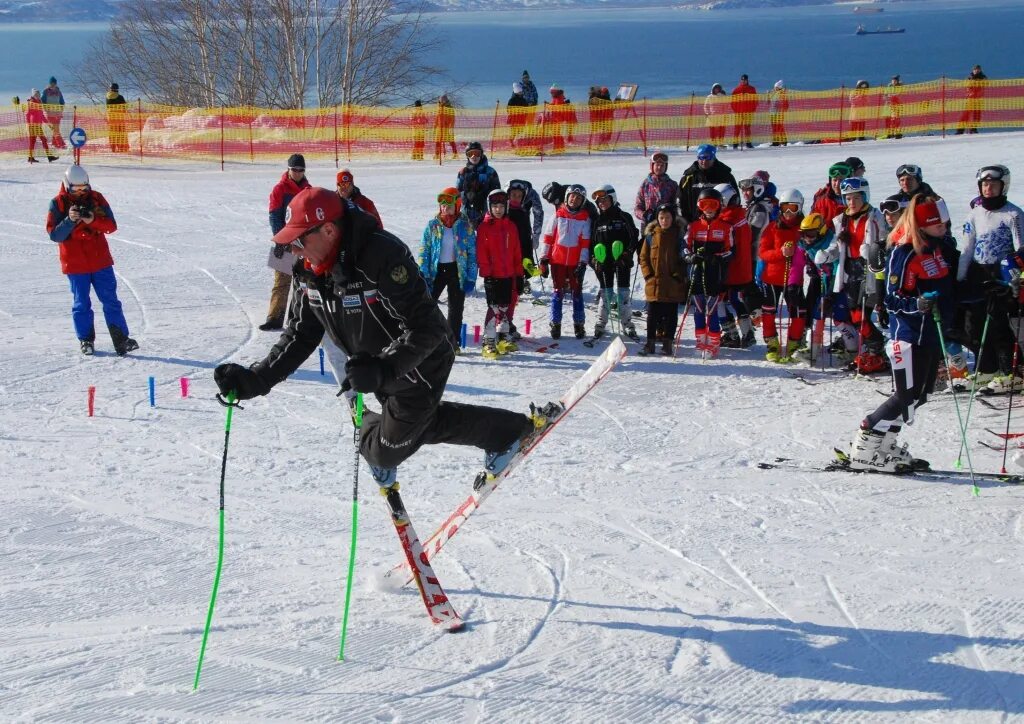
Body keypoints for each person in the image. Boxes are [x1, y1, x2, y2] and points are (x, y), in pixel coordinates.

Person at [213, 187, 558, 517]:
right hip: (375, 367)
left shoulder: (380, 255)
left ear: (329, 230)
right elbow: (302, 332)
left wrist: (384, 368)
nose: (295, 250)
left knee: (385, 450)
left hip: (420, 362)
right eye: (291, 242)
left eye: (300, 239)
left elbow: (429, 328)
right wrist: (257, 378)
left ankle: (374, 430)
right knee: (417, 425)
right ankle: (505, 431)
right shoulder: (309, 270)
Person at [847, 197, 953, 472]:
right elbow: (892, 300)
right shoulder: (904, 252)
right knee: (905, 395)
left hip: (930, 333)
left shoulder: (938, 248)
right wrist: (916, 305)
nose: (944, 226)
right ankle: (866, 442)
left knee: (921, 395)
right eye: (938, 223)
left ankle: (885, 444)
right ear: (925, 225)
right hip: (907, 335)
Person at [45, 164, 138, 356]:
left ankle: (121, 339)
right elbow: (55, 235)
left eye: (84, 188)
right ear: (67, 185)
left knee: (111, 300)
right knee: (81, 303)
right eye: (76, 189)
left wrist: (92, 219)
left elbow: (111, 225)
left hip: (100, 260)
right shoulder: (58, 203)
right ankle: (86, 340)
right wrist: (70, 220)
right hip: (75, 263)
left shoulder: (96, 199)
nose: (80, 193)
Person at [958, 165, 1024, 392]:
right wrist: (961, 277)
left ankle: (1011, 373)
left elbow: (1020, 249)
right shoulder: (974, 213)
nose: (988, 188)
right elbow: (967, 248)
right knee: (974, 324)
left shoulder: (1013, 214)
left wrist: (1016, 279)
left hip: (1003, 274)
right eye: (984, 184)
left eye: (993, 184)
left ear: (1003, 186)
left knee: (999, 325)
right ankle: (987, 370)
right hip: (979, 273)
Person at [419, 187, 477, 351]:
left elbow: (472, 253)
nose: (445, 208)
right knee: (427, 305)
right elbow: (424, 251)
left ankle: (453, 343)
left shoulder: (466, 227)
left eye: (449, 205)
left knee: (456, 308)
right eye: (442, 205)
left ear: (458, 205)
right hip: (436, 271)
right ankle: (424, 339)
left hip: (456, 271)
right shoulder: (433, 226)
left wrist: (471, 277)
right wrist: (423, 274)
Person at [262, 154, 311, 331]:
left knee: (304, 282)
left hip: (303, 244)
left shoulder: (308, 190)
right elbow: (274, 216)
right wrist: (280, 239)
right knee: (281, 280)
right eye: (294, 169)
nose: (297, 173)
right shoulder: (279, 189)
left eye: (301, 170)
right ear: (288, 169)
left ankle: (299, 317)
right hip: (285, 241)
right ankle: (274, 318)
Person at [758, 189, 806, 362]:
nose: (788, 213)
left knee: (798, 311)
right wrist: (781, 253)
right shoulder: (772, 227)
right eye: (785, 208)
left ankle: (794, 343)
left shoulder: (802, 228)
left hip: (794, 278)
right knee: (769, 312)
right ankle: (772, 344)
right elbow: (763, 252)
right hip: (771, 278)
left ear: (799, 208)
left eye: (792, 208)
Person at [686, 188, 734, 358]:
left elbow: (730, 251)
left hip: (715, 274)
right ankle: (701, 341)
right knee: (698, 309)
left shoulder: (725, 228)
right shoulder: (693, 226)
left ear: (718, 206)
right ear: (700, 206)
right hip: (698, 273)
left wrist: (717, 258)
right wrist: (691, 257)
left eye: (712, 205)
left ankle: (713, 343)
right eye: (704, 204)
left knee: (712, 309)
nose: (708, 208)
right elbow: (685, 248)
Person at [539, 183, 591, 339]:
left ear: (582, 201)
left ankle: (579, 324)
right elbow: (548, 238)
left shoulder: (585, 219)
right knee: (557, 293)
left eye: (578, 198)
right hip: (557, 261)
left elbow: (585, 243)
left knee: (577, 293)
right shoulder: (558, 215)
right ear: (567, 198)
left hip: (575, 263)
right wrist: (544, 258)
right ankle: (555, 323)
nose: (574, 200)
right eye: (572, 196)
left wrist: (583, 262)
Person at [476, 189, 521, 359]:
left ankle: (502, 337)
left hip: (508, 274)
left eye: (502, 206)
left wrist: (519, 273)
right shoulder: (484, 227)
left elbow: (516, 251)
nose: (498, 209)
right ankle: (488, 341)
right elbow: (481, 251)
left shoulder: (511, 227)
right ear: (490, 207)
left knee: (505, 306)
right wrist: (487, 272)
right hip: (492, 275)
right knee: (494, 307)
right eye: (495, 206)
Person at [590, 184, 640, 339]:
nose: (602, 203)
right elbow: (592, 243)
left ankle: (627, 324)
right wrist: (594, 259)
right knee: (606, 294)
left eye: (605, 199)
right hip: (604, 262)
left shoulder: (624, 217)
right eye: (599, 201)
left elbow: (633, 237)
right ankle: (601, 323)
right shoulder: (597, 221)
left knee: (623, 294)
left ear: (613, 198)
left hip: (621, 261)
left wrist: (627, 254)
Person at [639, 203, 687, 356]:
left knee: (671, 314)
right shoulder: (651, 236)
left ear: (673, 218)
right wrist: (648, 275)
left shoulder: (679, 237)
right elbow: (643, 257)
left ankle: (667, 343)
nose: (664, 221)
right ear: (657, 219)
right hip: (654, 282)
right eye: (661, 217)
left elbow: (684, 259)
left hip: (672, 283)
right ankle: (650, 343)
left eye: (667, 217)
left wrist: (678, 276)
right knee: (652, 314)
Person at [715, 184, 755, 349]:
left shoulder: (728, 219)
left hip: (732, 268)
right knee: (733, 299)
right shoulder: (740, 216)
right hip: (741, 266)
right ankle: (745, 333)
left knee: (721, 300)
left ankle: (733, 333)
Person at [677, 144, 738, 225]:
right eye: (701, 157)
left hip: (721, 225)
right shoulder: (688, 178)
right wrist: (686, 222)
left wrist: (728, 221)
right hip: (694, 225)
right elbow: (679, 203)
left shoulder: (725, 176)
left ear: (713, 157)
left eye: (708, 157)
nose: (704, 161)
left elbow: (735, 200)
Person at [456, 141, 501, 228]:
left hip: (486, 212)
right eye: (470, 154)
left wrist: (484, 196)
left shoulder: (490, 172)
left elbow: (497, 192)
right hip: (467, 211)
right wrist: (466, 195)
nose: (474, 156)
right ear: (467, 156)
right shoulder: (463, 172)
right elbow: (457, 193)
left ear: (481, 154)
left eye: (477, 153)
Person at [634, 150, 679, 228]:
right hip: (649, 226)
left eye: (662, 165)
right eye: (657, 165)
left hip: (667, 225)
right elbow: (638, 207)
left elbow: (677, 205)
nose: (659, 167)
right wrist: (645, 215)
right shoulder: (645, 185)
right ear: (652, 166)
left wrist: (670, 214)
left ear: (666, 167)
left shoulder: (672, 185)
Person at [25, 89, 57, 163]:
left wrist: (48, 124)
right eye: (36, 94)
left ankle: (31, 157)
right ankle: (49, 157)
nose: (38, 96)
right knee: (42, 140)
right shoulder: (31, 103)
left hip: (38, 125)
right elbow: (27, 114)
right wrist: (28, 124)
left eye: (38, 95)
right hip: (33, 125)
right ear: (33, 95)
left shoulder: (39, 102)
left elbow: (42, 115)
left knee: (33, 141)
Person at [545, 84, 576, 155]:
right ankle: (558, 148)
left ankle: (559, 148)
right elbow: (553, 105)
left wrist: (548, 106)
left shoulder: (558, 98)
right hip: (555, 118)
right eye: (550, 92)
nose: (551, 93)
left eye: (552, 92)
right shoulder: (556, 97)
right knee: (555, 134)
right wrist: (548, 104)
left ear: (555, 91)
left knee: (556, 134)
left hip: (557, 119)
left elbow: (557, 108)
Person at [957, 65, 988, 135]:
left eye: (978, 69)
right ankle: (960, 130)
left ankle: (973, 129)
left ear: (980, 70)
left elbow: (986, 83)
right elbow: (967, 85)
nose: (976, 71)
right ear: (973, 70)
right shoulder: (969, 77)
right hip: (970, 99)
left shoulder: (983, 77)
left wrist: (979, 80)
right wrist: (973, 80)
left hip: (978, 99)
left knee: (977, 114)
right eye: (975, 69)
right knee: (966, 114)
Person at [730, 74, 758, 149]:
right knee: (737, 128)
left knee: (747, 128)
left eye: (745, 80)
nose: (744, 81)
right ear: (741, 80)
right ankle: (735, 144)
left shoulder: (752, 89)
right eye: (742, 80)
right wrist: (736, 110)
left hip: (748, 112)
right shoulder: (737, 89)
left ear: (747, 80)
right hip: (739, 112)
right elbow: (732, 101)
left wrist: (752, 109)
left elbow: (755, 100)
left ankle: (748, 143)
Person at [41, 76, 65, 149]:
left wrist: (61, 110)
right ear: (49, 83)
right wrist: (46, 109)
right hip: (50, 114)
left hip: (58, 113)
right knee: (55, 129)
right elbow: (42, 101)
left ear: (56, 84)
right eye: (51, 83)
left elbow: (62, 102)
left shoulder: (58, 92)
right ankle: (60, 144)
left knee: (56, 129)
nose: (53, 85)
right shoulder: (45, 91)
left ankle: (55, 143)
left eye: (54, 83)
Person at [507, 82, 531, 151]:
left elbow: (526, 108)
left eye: (521, 91)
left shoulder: (523, 100)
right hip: (514, 119)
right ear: (516, 92)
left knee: (520, 131)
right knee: (514, 131)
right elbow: (508, 109)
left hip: (521, 119)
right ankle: (512, 142)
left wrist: (525, 114)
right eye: (520, 91)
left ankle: (517, 142)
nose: (521, 92)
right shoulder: (512, 100)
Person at [106, 82, 128, 153]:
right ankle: (121, 148)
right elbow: (125, 108)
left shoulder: (107, 97)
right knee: (121, 134)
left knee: (112, 134)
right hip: (119, 119)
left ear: (110, 89)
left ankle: (113, 149)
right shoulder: (120, 97)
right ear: (117, 89)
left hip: (111, 119)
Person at [434, 94, 457, 161]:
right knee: (437, 142)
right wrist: (435, 126)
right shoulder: (439, 108)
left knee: (451, 141)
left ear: (446, 100)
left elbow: (452, 118)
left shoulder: (450, 108)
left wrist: (451, 126)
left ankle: (455, 154)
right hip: (439, 128)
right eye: (440, 100)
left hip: (447, 128)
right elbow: (437, 118)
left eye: (443, 100)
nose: (441, 102)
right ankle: (437, 155)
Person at [769, 80, 789, 146]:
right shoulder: (774, 93)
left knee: (779, 127)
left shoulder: (782, 94)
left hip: (779, 113)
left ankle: (783, 141)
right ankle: (777, 141)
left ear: (778, 87)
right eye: (774, 87)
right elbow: (770, 102)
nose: (774, 88)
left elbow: (785, 105)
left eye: (775, 87)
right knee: (774, 127)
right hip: (773, 113)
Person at [885, 75, 903, 140]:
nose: (894, 82)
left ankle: (897, 133)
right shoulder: (889, 86)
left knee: (896, 119)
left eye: (895, 81)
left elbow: (899, 95)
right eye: (893, 80)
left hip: (897, 105)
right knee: (888, 120)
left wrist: (893, 96)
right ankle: (889, 133)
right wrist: (888, 98)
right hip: (889, 105)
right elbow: (885, 96)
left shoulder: (900, 87)